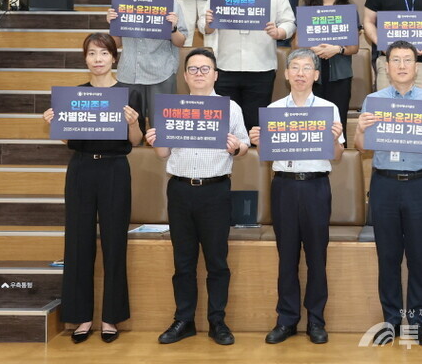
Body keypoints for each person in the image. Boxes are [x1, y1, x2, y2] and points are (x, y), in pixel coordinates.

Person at [41, 33, 144, 344]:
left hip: (115, 169)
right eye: (91, 54)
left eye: (103, 53)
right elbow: (68, 140)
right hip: (81, 168)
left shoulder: (130, 94)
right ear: (84, 59)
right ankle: (80, 316)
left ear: (114, 57)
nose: (98, 59)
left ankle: (111, 317)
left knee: (115, 242)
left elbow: (136, 141)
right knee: (78, 241)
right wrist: (53, 123)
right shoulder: (73, 96)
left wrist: (132, 122)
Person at [147, 48, 250, 346]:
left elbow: (243, 146)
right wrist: (155, 142)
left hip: (215, 190)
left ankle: (217, 321)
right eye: (193, 69)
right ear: (185, 76)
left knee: (217, 261)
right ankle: (184, 320)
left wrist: (236, 148)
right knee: (183, 262)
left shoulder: (230, 109)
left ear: (215, 75)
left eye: (205, 69)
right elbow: (163, 153)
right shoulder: (172, 108)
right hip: (179, 189)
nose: (199, 74)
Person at [354, 40, 422, 345]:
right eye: (395, 60)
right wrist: (359, 130)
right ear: (387, 66)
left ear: (416, 66)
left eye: (407, 60)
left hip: (420, 184)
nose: (401, 66)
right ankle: (391, 321)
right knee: (388, 255)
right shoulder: (374, 100)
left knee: (419, 256)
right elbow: (360, 147)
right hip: (384, 184)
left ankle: (418, 322)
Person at [250, 49, 345, 346]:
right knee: (287, 256)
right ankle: (287, 319)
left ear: (316, 75)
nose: (301, 73)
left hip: (316, 186)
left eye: (307, 68)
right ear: (286, 73)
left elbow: (339, 155)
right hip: (284, 187)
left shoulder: (329, 109)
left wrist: (333, 139)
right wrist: (258, 141)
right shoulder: (275, 108)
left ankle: (316, 320)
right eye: (295, 67)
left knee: (317, 257)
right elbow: (268, 154)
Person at [201, 0, 296, 129]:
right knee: (226, 127)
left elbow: (290, 23)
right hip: (226, 67)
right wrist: (209, 23)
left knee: (255, 127)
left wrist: (279, 32)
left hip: (261, 68)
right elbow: (204, 25)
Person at [105, 0, 187, 124]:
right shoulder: (123, 5)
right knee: (131, 128)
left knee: (162, 126)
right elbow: (116, 44)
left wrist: (173, 28)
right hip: (129, 73)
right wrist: (112, 24)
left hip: (161, 73)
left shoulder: (172, 4)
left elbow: (181, 42)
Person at [297, 0, 361, 129]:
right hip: (312, 75)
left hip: (340, 75)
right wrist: (311, 48)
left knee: (338, 125)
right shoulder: (308, 9)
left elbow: (354, 48)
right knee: (313, 125)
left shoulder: (348, 10)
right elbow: (296, 44)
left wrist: (337, 49)